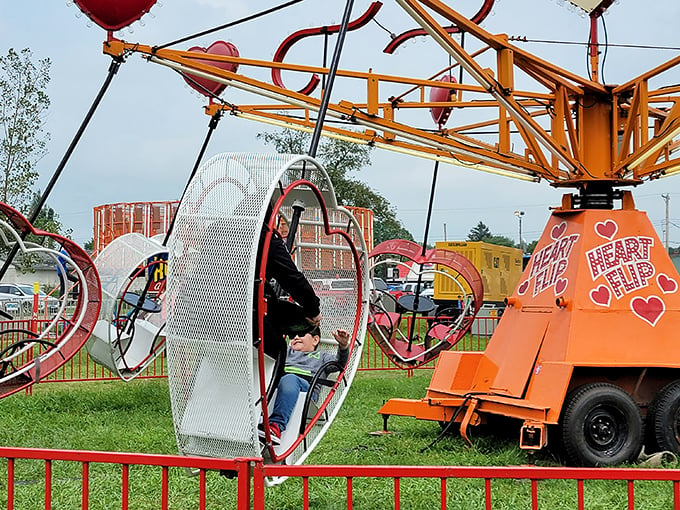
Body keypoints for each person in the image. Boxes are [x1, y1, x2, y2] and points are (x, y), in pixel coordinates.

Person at [257, 210, 321, 383]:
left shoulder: (216, 233)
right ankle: (269, 392)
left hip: (210, 320)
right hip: (252, 317)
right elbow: (291, 278)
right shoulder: (264, 239)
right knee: (276, 345)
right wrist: (313, 309)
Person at [259, 326, 350, 445]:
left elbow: (339, 363)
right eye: (292, 336)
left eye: (301, 334)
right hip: (278, 386)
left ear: (315, 340)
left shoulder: (321, 357)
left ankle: (276, 426)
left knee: (290, 379)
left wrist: (343, 346)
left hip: (306, 390)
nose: (296, 337)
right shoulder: (285, 351)